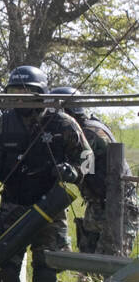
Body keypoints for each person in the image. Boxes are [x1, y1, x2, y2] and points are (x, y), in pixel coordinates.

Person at [0, 65, 89, 282]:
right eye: (14, 93)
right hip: (12, 204)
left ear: (40, 92)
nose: (19, 98)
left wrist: (74, 171)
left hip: (51, 206)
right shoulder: (0, 124)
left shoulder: (63, 123)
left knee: (47, 266)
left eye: (25, 92)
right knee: (4, 264)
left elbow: (86, 158)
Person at [50, 86, 139, 257]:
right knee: (88, 261)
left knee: (110, 261)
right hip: (98, 204)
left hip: (118, 204)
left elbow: (82, 164)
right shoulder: (80, 129)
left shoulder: (89, 132)